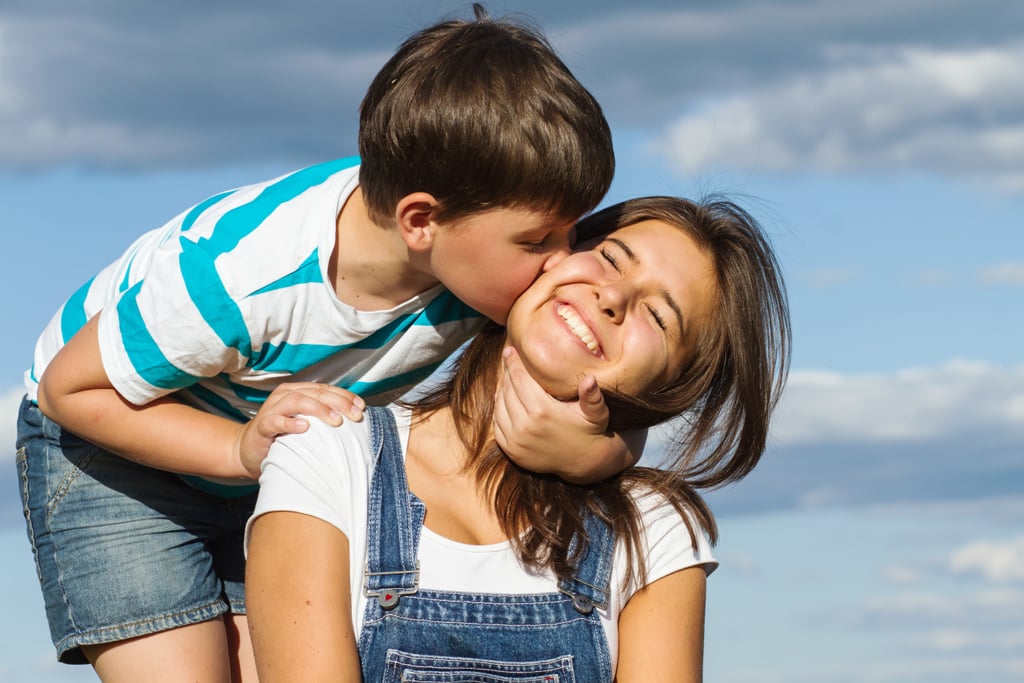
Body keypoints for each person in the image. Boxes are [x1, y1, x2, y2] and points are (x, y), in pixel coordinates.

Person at [15, 6, 624, 681]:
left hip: (259, 450)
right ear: (421, 220)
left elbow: (588, 377)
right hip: (113, 442)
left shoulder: (481, 266)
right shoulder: (239, 278)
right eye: (540, 239)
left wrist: (605, 447)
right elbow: (68, 390)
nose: (563, 261)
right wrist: (236, 449)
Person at [245, 196, 792, 682]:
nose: (613, 297)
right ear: (551, 253)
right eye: (609, 258)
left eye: (657, 315)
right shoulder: (330, 452)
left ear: (670, 386)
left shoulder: (651, 532)